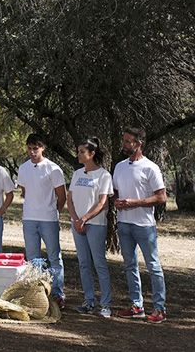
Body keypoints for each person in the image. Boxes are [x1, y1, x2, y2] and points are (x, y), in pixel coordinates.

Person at [113, 127, 167, 323]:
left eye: (129, 141)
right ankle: (137, 306)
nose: (125, 144)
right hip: (124, 224)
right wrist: (117, 202)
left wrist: (135, 203)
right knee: (130, 266)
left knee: (153, 266)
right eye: (124, 141)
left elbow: (161, 197)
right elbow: (117, 192)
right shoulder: (119, 167)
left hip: (144, 225)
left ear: (139, 143)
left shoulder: (150, 167)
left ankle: (160, 309)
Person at [16, 133, 67, 307]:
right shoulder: (23, 168)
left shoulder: (53, 168)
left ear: (43, 148)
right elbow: (24, 191)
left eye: (35, 148)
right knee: (32, 258)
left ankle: (58, 293)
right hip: (29, 218)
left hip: (48, 219)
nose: (32, 152)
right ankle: (36, 293)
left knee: (54, 257)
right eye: (29, 148)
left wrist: (53, 212)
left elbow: (62, 196)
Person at [67, 137, 113, 318]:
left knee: (99, 264)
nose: (78, 155)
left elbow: (102, 202)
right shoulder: (77, 174)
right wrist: (76, 219)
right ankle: (88, 301)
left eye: (81, 152)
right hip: (77, 224)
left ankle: (105, 304)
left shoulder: (104, 175)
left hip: (95, 224)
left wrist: (85, 218)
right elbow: (70, 199)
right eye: (78, 151)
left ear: (92, 154)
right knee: (84, 264)